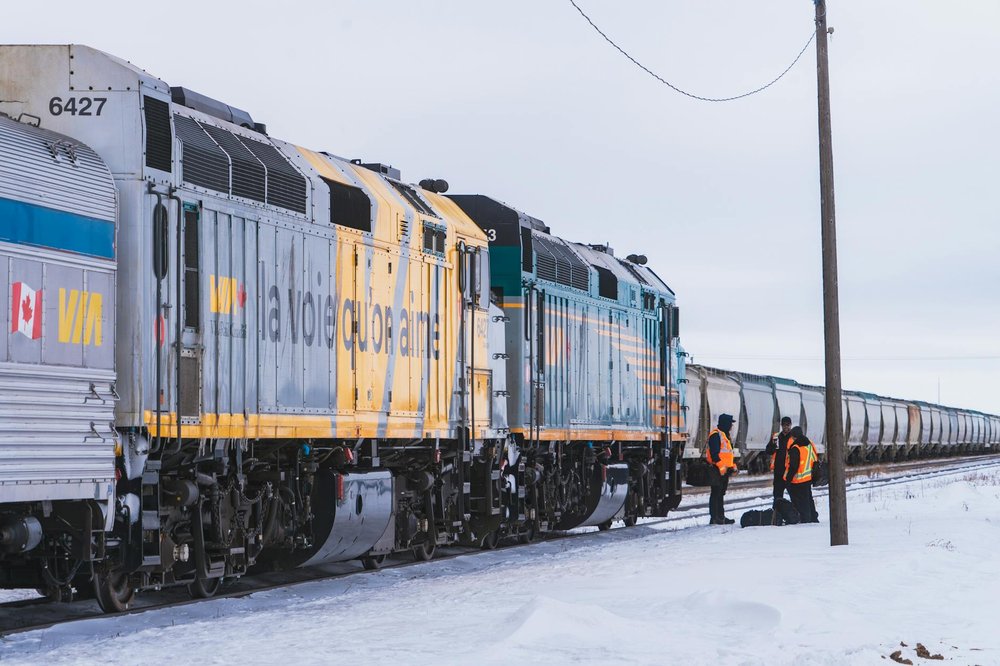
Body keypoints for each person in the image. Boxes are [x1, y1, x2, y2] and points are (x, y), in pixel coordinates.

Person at [706, 413, 738, 525]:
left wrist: (732, 466)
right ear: (725, 423)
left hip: (724, 471)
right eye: (730, 424)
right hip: (717, 470)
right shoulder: (716, 435)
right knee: (716, 493)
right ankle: (715, 517)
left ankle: (721, 516)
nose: (731, 426)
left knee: (720, 494)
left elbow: (727, 454)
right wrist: (721, 467)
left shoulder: (724, 435)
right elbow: (714, 454)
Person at [784, 426, 819, 523]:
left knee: (802, 503)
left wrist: (788, 479)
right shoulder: (809, 444)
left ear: (794, 437)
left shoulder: (795, 448)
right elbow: (815, 459)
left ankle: (805, 520)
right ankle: (813, 518)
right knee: (809, 500)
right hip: (807, 478)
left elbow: (793, 466)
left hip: (798, 480)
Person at [765, 417, 794, 502]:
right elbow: (768, 451)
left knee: (794, 495)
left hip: (789, 471)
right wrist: (773, 447)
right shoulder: (776, 437)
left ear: (790, 425)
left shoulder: (793, 437)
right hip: (778, 471)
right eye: (784, 425)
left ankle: (795, 510)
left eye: (788, 425)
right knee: (777, 496)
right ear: (781, 425)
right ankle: (777, 509)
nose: (786, 427)